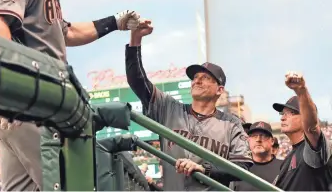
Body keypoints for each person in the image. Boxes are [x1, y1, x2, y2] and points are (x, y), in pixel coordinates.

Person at [0, 0, 142, 191]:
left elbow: (69, 32)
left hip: (25, 108)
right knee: (73, 184)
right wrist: (14, 87)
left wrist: (114, 22)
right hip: (32, 103)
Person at [125, 20, 253, 190]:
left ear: (219, 90)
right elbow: (138, 82)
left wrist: (205, 170)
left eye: (206, 78)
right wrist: (135, 41)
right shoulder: (170, 109)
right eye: (195, 77)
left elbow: (243, 166)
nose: (197, 81)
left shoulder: (231, 124)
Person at [272, 71, 332, 191]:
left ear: (304, 118)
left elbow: (312, 128)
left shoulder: (313, 149)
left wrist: (301, 90)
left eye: (292, 113)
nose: (283, 117)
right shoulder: (288, 158)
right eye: (282, 113)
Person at [234, 121, 282, 191]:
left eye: (263, 136)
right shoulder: (239, 168)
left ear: (272, 141)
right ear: (248, 140)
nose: (258, 139)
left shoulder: (283, 167)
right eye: (254, 136)